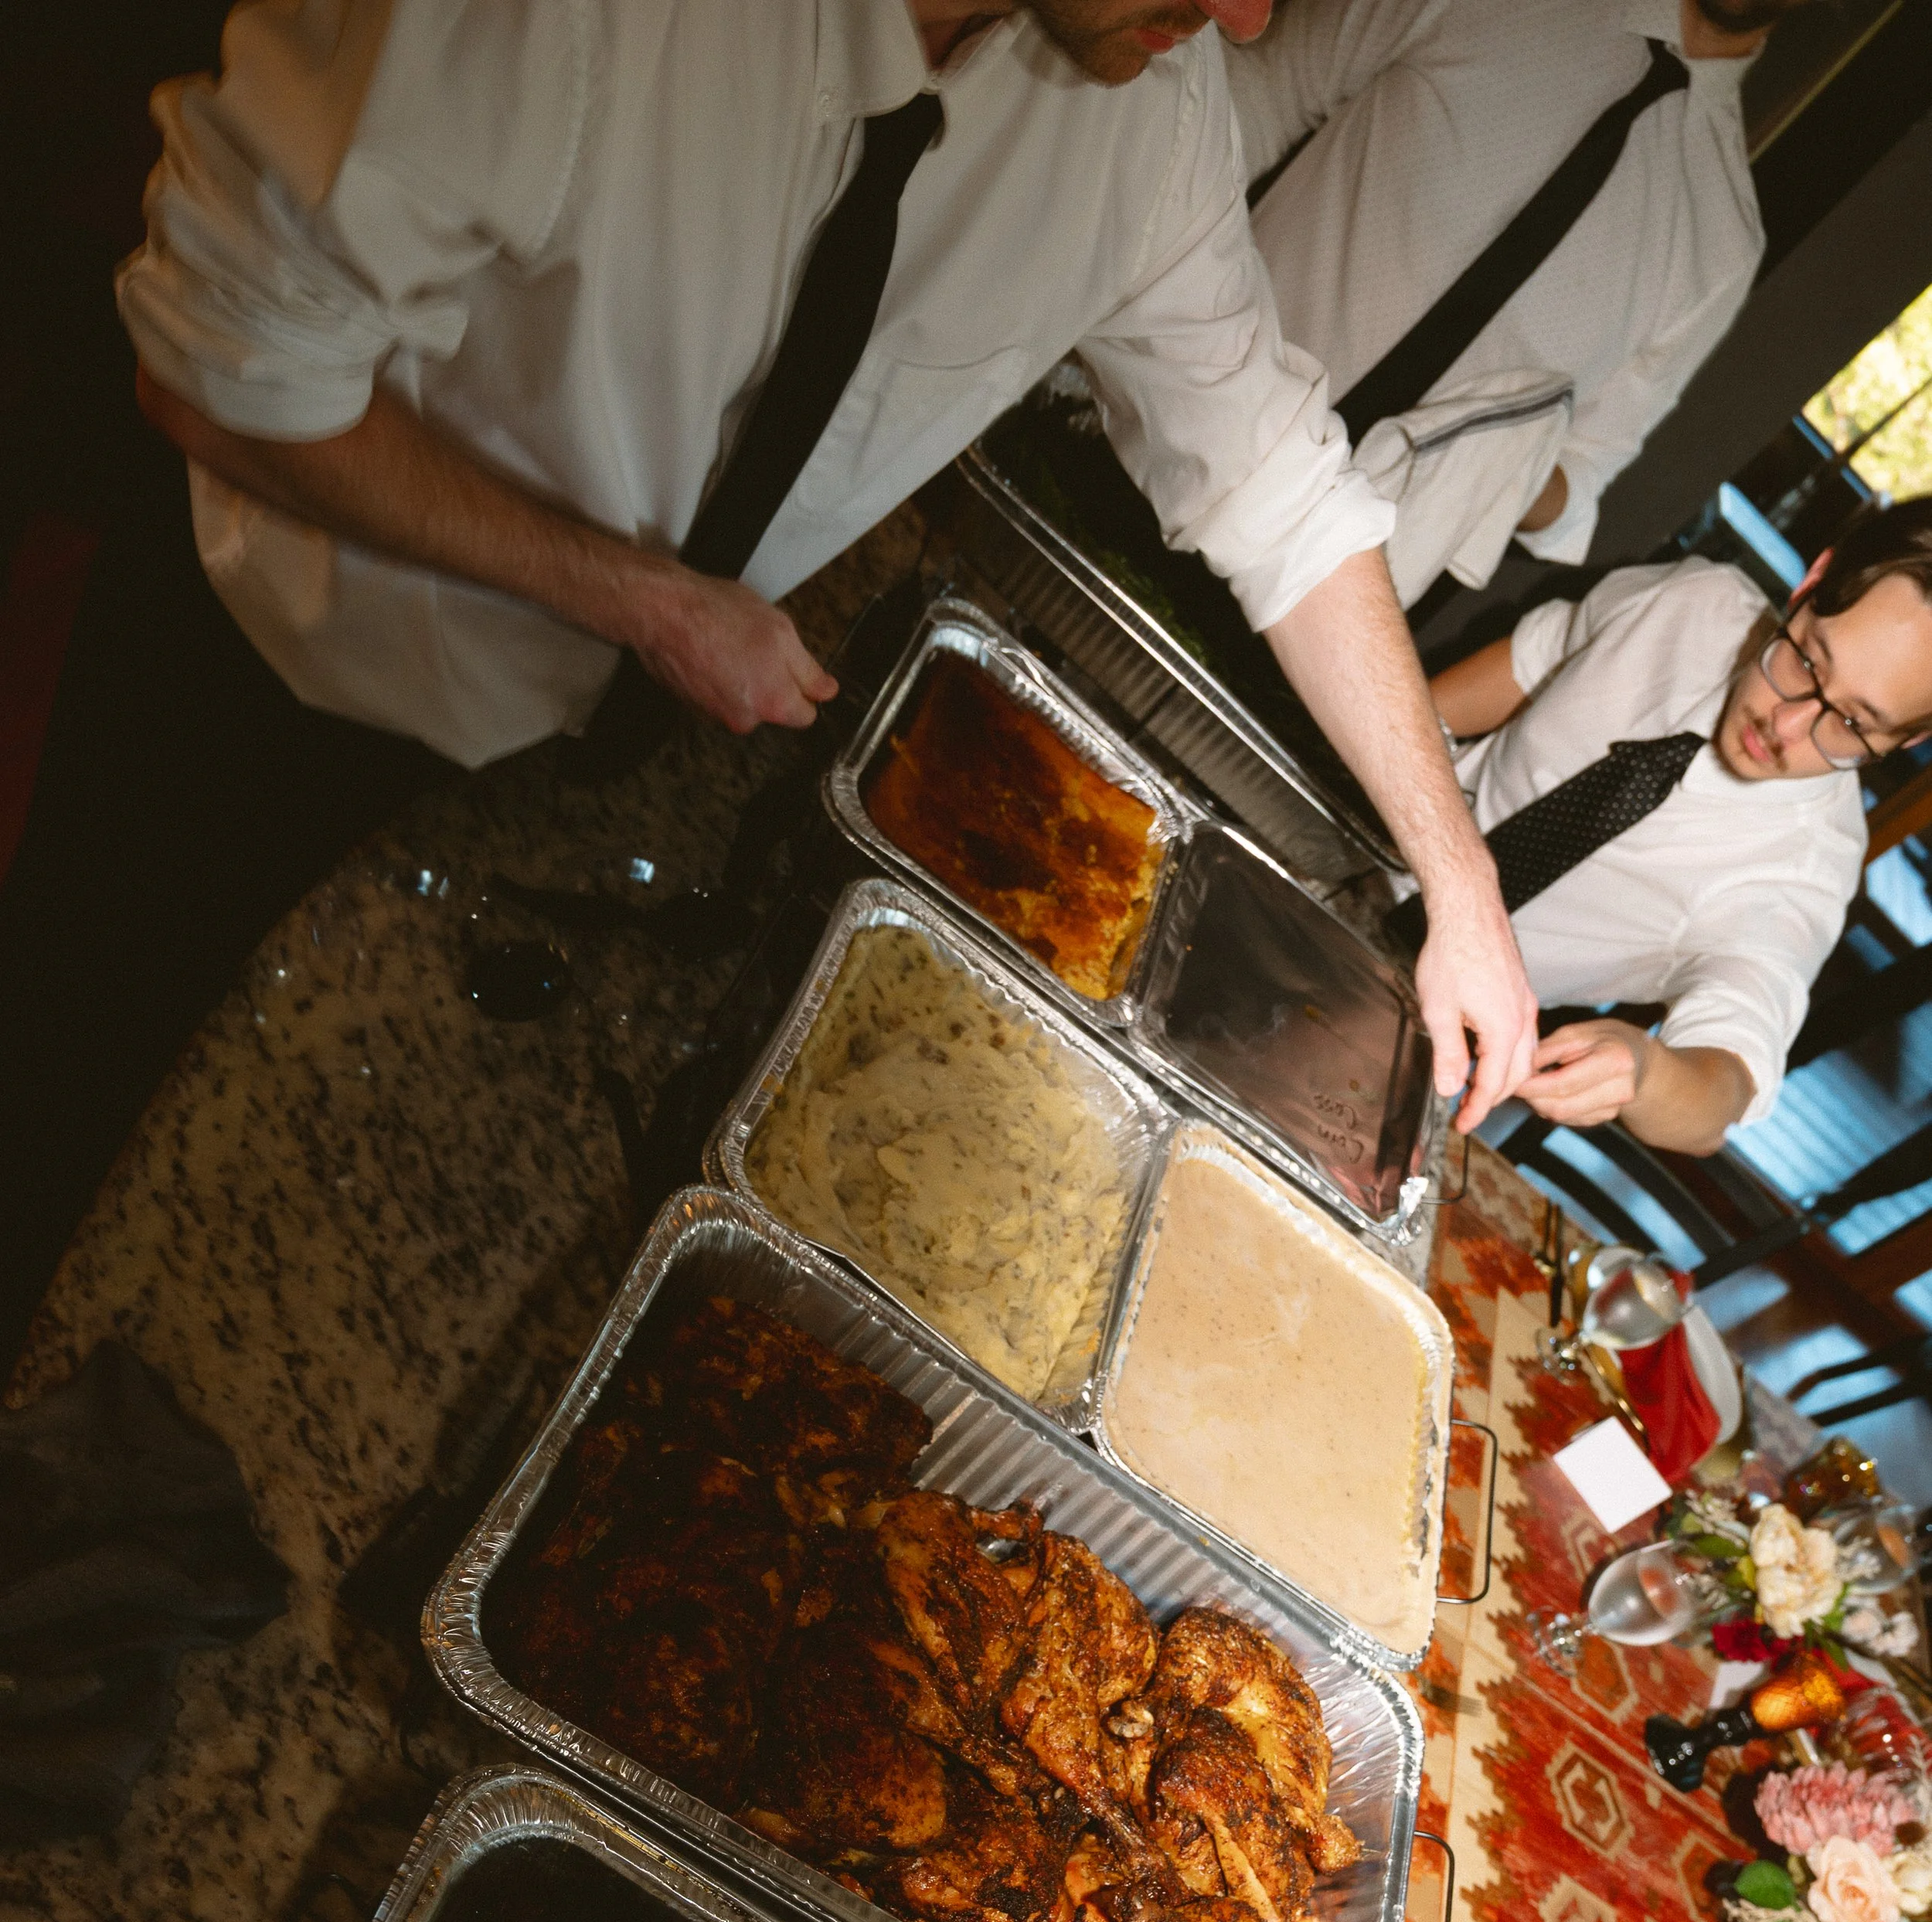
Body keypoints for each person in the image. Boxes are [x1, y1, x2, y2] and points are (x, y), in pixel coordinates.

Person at [0, 0, 1538, 1376]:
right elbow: (223, 371)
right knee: (78, 1093)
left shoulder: (1148, 107)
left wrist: (1456, 883)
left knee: (273, 1269)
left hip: (558, 762)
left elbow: (1272, 481)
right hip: (288, 668)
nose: (1255, 18)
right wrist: (647, 602)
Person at [1223, 0, 1813, 612]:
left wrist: (1508, 459)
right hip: (1172, 412)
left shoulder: (1722, 245)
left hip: (1327, 588)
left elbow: (1583, 474)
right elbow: (1257, 97)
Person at [1413, 497, 1932, 1156]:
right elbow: (1525, 666)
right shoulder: (1693, 602)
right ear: (1812, 582)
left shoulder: (1802, 872)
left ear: (1911, 738)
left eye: (1854, 724)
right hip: (1350, 825)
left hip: (1422, 1010)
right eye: (1808, 661)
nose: (1788, 724)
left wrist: (1646, 1070)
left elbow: (1723, 1087)